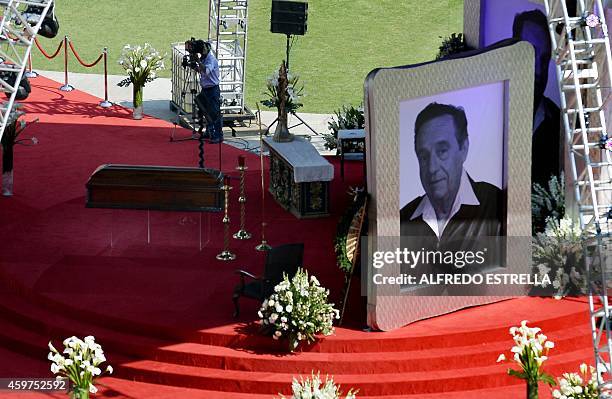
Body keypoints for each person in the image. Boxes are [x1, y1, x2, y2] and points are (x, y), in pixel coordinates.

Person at [400, 103, 503, 270]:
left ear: (464, 149)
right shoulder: (402, 220)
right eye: (424, 156)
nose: (432, 168)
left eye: (442, 151)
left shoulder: (496, 206)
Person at [513, 9, 562, 189]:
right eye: (531, 54)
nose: (539, 69)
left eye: (544, 58)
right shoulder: (489, 109)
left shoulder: (558, 124)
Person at [194, 41, 223, 144]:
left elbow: (206, 70)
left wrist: (198, 61)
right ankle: (209, 131)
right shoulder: (204, 58)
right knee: (205, 110)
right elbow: (201, 70)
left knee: (214, 113)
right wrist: (195, 66)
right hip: (205, 89)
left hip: (213, 90)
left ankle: (218, 135)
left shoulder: (211, 59)